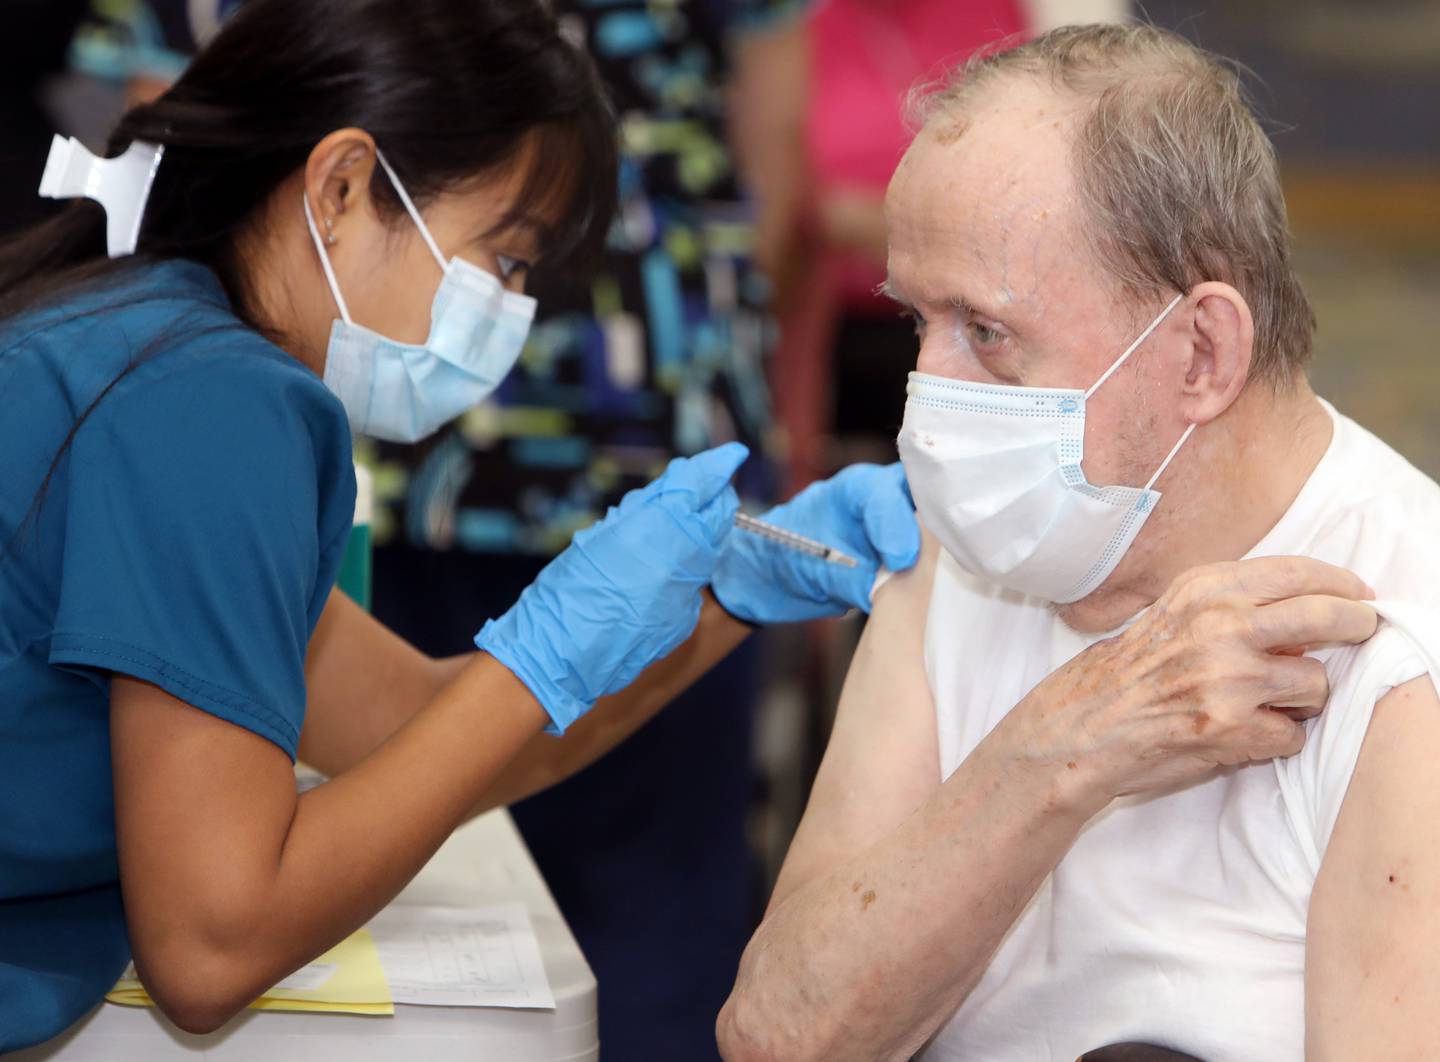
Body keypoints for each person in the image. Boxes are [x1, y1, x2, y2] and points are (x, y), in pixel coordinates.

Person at [0, 0, 921, 1050]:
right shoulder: (216, 402)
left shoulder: (139, 334)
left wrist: (731, 592)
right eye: (509, 257)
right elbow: (211, 947)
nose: (511, 314)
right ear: (342, 187)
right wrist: (541, 656)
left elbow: (424, 730)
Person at [718, 23, 1440, 1060]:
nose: (929, 398)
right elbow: (776, 1036)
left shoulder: (1398, 644)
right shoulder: (973, 554)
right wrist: (1061, 750)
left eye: (988, 333)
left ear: (1202, 351)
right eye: (916, 321)